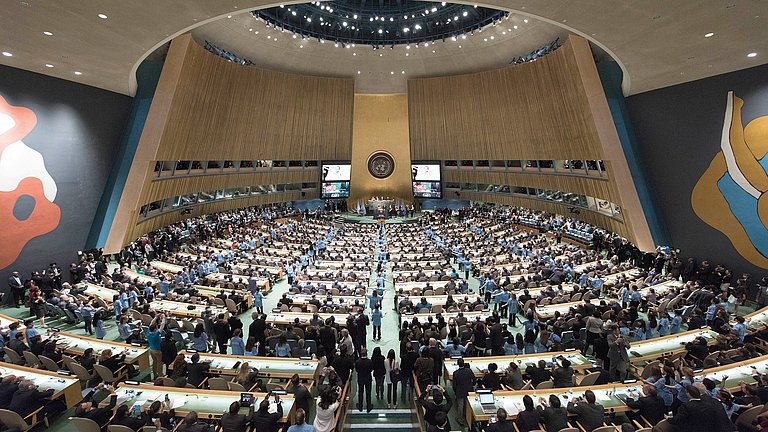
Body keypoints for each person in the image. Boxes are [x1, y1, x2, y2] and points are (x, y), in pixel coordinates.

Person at [452, 358, 476, 428]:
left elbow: (454, 385)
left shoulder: (455, 373)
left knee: (460, 406)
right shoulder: (469, 370)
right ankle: (470, 417)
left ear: (458, 364)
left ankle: (460, 419)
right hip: (469, 390)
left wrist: (455, 391)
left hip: (460, 391)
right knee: (469, 404)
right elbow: (474, 380)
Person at [146, 314, 166, 379]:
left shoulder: (148, 333)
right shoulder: (156, 334)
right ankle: (160, 376)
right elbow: (162, 325)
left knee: (154, 362)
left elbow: (151, 324)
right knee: (160, 363)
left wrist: (156, 317)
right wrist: (163, 318)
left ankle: (154, 374)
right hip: (158, 350)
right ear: (155, 329)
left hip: (151, 350)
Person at [355, 347, 373, 412]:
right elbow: (371, 369)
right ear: (366, 354)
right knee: (368, 393)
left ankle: (360, 406)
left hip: (361, 378)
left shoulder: (357, 362)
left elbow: (357, 370)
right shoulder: (369, 361)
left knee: (360, 392)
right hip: (368, 378)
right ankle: (368, 407)